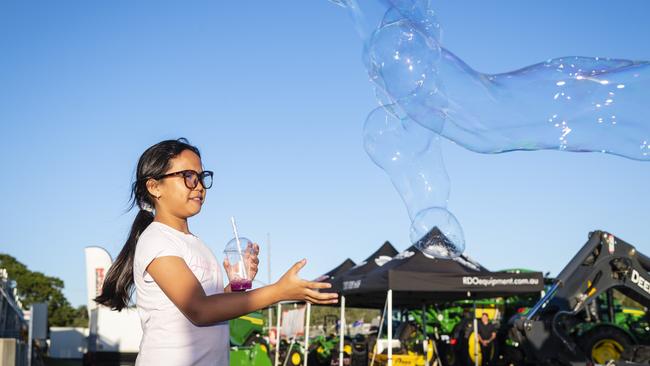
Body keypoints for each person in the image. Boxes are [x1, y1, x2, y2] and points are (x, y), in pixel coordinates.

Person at [94, 138, 338, 365]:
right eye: (188, 176)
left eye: (202, 177)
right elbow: (200, 310)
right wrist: (279, 291)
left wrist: (237, 285)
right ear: (154, 186)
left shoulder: (196, 244)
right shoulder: (156, 239)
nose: (199, 186)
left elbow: (212, 309)